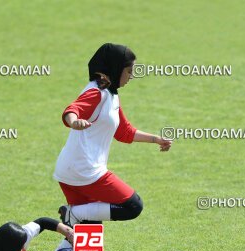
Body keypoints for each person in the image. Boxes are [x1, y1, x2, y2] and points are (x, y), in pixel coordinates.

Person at [54, 43, 172, 226]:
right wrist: (73, 121)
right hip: (86, 172)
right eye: (128, 71)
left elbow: (124, 132)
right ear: (115, 68)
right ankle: (73, 213)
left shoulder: (111, 95)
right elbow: (73, 109)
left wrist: (156, 139)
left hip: (73, 169)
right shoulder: (96, 92)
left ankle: (67, 228)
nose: (131, 76)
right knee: (133, 206)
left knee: (86, 239)